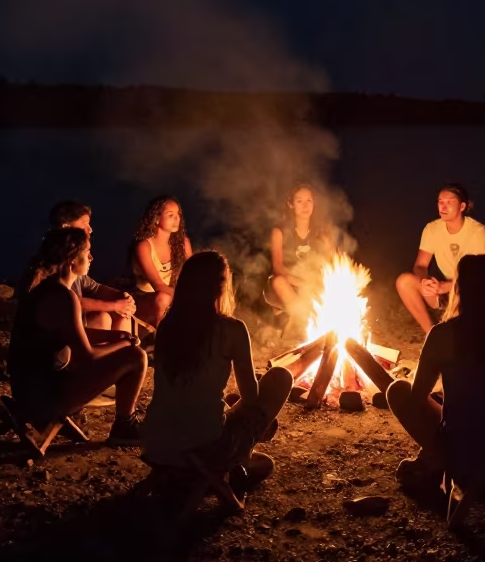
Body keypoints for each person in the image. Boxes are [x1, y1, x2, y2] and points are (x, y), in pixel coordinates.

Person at [142, 250, 294, 511]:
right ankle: (224, 470)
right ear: (222, 285)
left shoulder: (168, 326)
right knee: (280, 376)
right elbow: (250, 399)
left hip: (157, 442)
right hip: (204, 444)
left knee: (263, 463)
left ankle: (200, 474)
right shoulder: (232, 329)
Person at [387, 255, 485, 496]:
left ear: (459, 288)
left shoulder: (443, 334)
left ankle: (438, 460)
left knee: (398, 390)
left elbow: (417, 396)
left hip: (468, 455)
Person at [8, 227, 147, 443]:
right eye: (87, 252)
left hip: (27, 392)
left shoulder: (48, 290)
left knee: (128, 349)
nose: (91, 257)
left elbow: (72, 334)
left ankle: (125, 425)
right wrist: (125, 345)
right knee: (136, 357)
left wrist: (116, 337)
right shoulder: (63, 298)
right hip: (44, 399)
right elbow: (88, 357)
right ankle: (124, 426)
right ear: (73, 260)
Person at [396, 185, 485, 336]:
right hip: (446, 288)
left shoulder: (477, 231)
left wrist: (445, 287)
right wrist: (425, 282)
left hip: (471, 289)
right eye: (440, 202)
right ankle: (431, 335)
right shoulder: (432, 228)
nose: (443, 207)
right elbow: (420, 265)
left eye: (449, 202)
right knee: (404, 281)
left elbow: (478, 275)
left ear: (462, 206)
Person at [49, 201, 136, 341]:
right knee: (103, 318)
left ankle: (122, 357)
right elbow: (71, 301)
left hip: (77, 323)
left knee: (123, 314)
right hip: (60, 333)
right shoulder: (54, 262)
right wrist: (114, 305)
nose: (90, 229)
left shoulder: (74, 261)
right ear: (66, 227)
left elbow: (95, 287)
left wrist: (122, 297)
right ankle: (102, 359)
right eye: (85, 224)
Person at [264, 184, 339, 323]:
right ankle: (305, 322)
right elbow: (278, 267)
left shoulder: (321, 232)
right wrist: (304, 284)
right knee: (279, 281)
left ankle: (310, 321)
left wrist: (319, 282)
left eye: (309, 200)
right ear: (290, 204)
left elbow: (332, 263)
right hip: (286, 286)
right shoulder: (280, 232)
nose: (305, 205)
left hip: (311, 286)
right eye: (299, 201)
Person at [130, 196, 193, 330]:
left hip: (170, 297)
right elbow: (158, 285)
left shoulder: (183, 243)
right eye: (170, 215)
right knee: (163, 297)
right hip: (143, 299)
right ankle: (162, 344)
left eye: (178, 215)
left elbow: (193, 274)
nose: (177, 219)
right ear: (157, 218)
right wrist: (187, 296)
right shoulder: (144, 246)